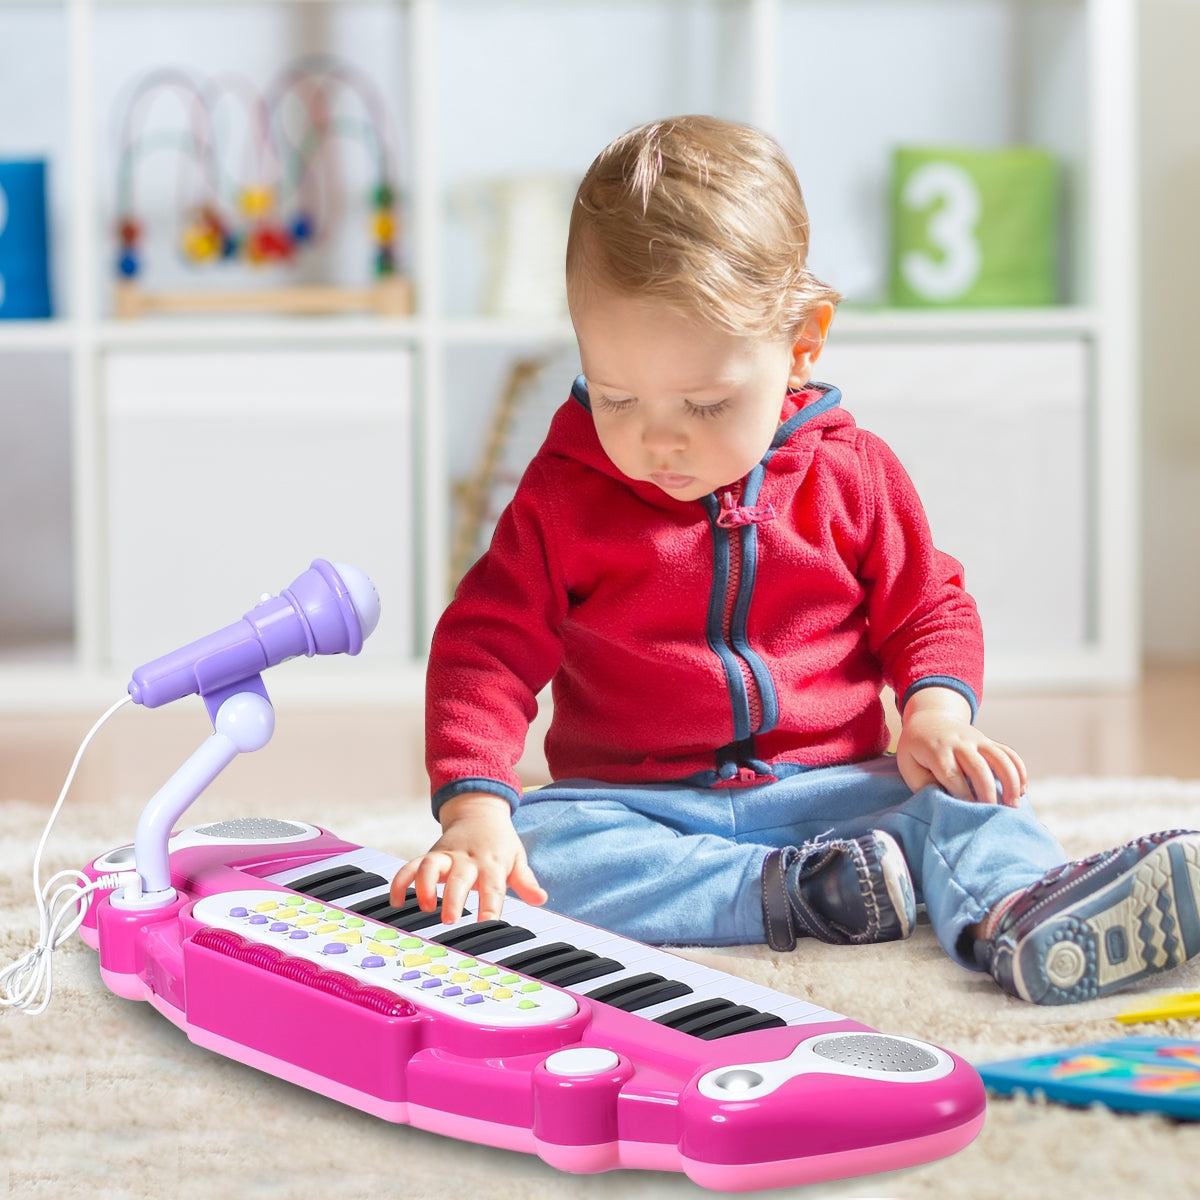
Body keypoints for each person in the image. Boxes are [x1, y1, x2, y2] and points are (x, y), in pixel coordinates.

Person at [392, 114, 1200, 1005]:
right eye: (615, 395)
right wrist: (475, 814)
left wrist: (934, 712)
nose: (656, 440)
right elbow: (486, 649)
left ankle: (1021, 915)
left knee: (971, 799)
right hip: (644, 807)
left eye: (703, 404)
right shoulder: (562, 497)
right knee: (538, 854)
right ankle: (792, 896)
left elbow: (928, 604)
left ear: (803, 343)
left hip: (842, 793)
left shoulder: (851, 475)